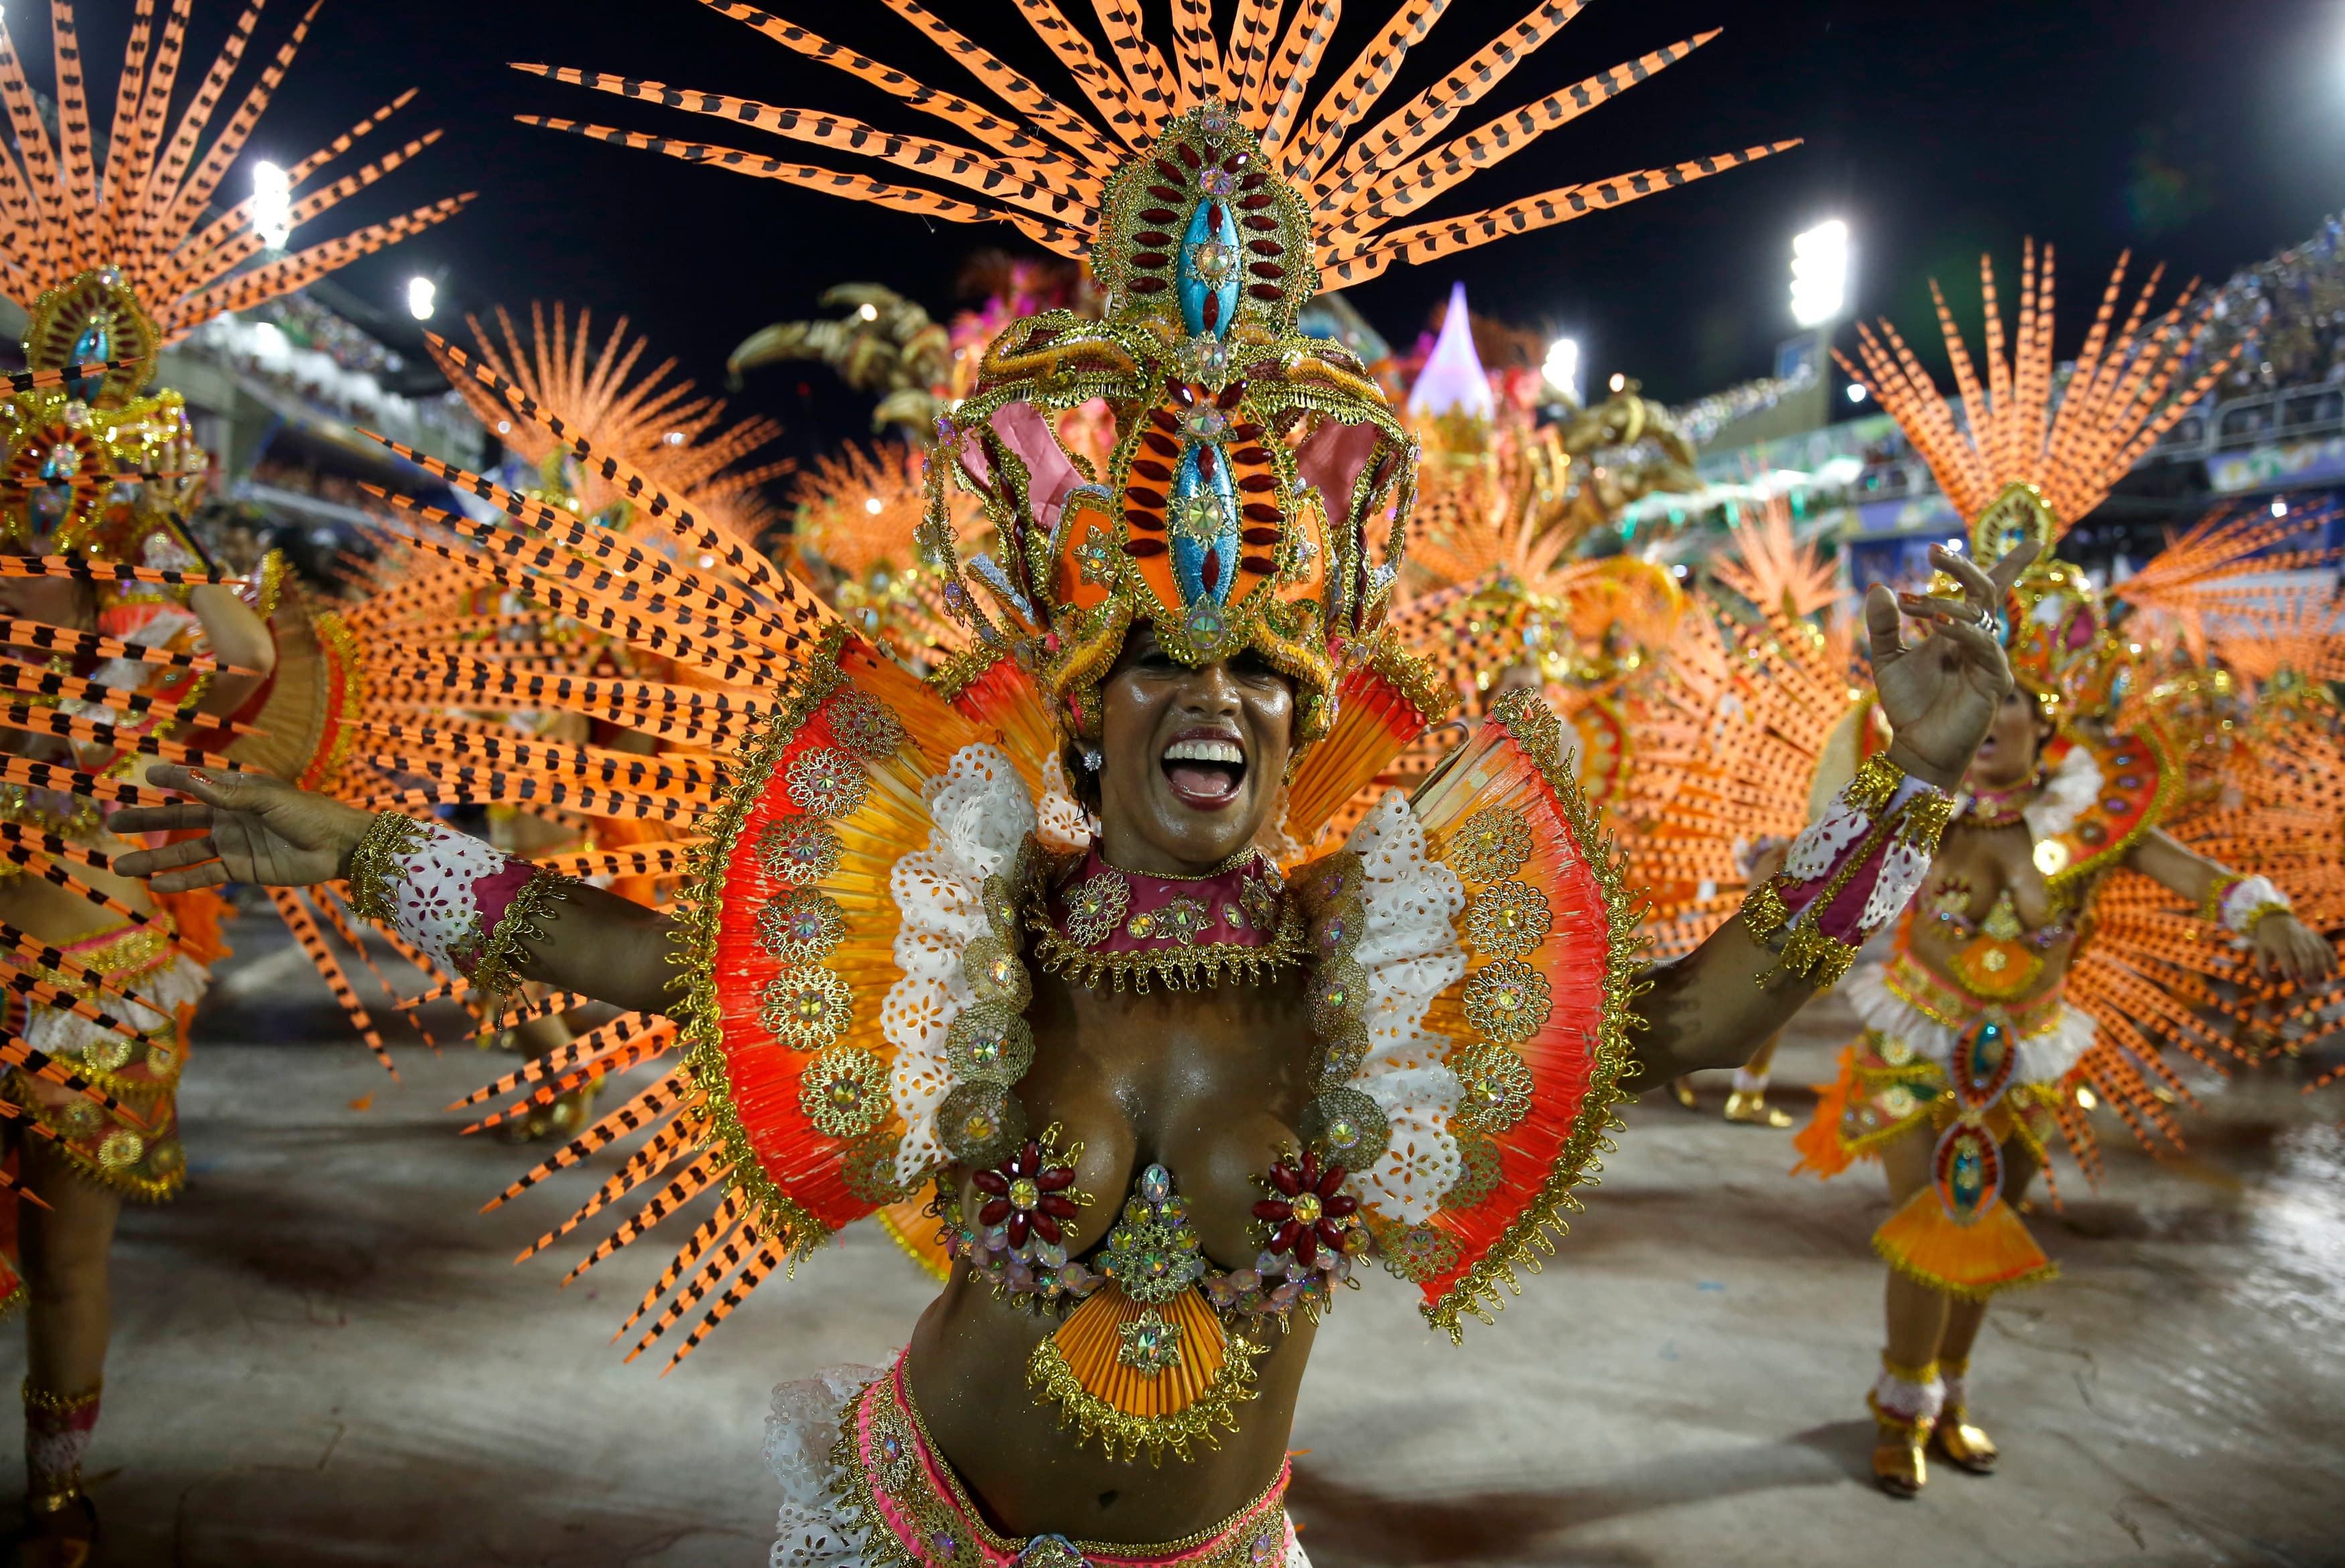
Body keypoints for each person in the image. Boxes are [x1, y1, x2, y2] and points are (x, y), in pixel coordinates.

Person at [114, 7, 2016, 1562]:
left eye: (1262, 677)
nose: (1218, 702)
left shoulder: (1381, 960)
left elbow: (1689, 1010)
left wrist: (1906, 796)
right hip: (917, 1525)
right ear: (1083, 717)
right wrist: (366, 843)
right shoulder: (975, 926)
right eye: (1164, 669)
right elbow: (622, 956)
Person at [0, 7, 462, 1557]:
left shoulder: (164, 610)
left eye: (105, 453)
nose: (70, 478)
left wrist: (185, 549)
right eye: (45, 453)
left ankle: (55, 1495)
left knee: (69, 1260)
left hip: (100, 973)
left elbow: (285, 670)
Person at [1804, 244, 2342, 1497]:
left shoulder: (2096, 820)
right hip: (1916, 1046)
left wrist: (2264, 909)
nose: (1993, 735)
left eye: (2013, 719)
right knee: (1932, 1226)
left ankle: (1950, 1403)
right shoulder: (1923, 810)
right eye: (1975, 715)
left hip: (2032, 1052)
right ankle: (1896, 1408)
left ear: (2047, 726)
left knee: (1994, 1229)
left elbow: (2197, 870)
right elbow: (1836, 866)